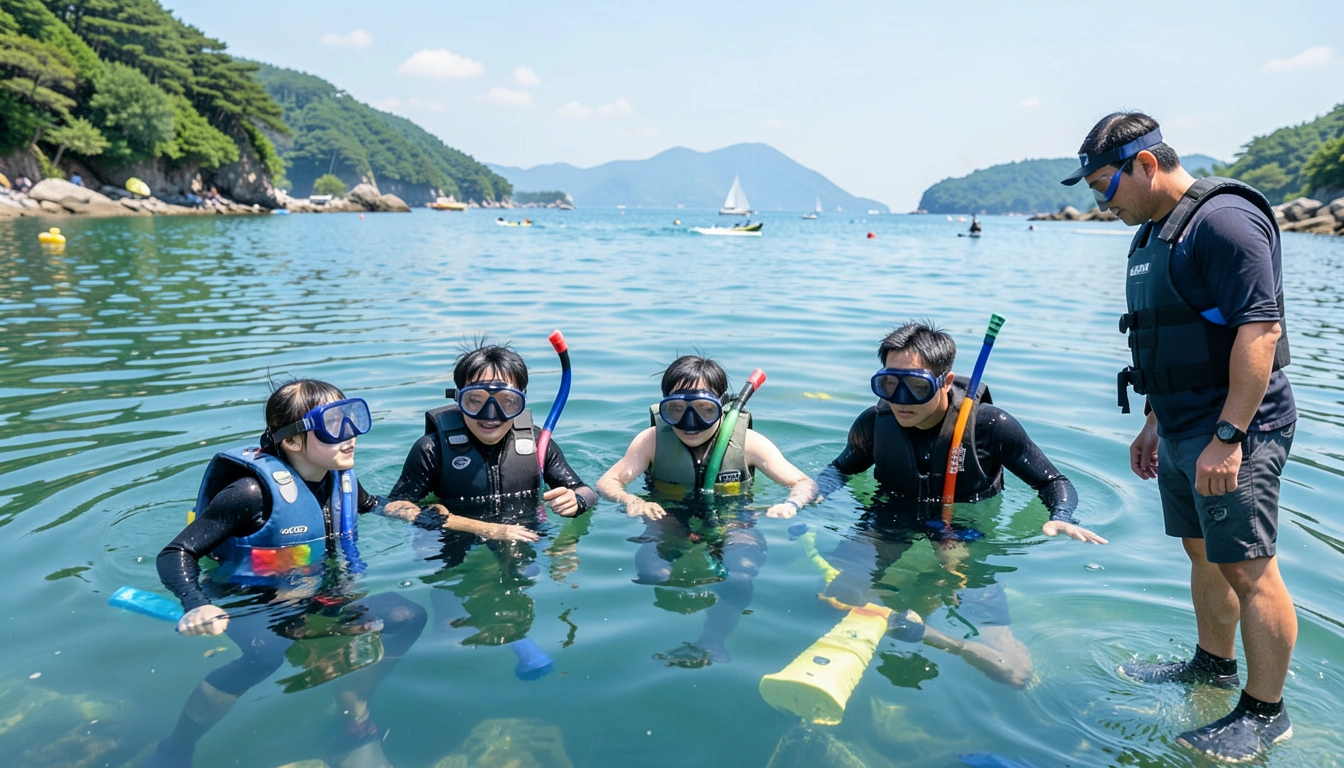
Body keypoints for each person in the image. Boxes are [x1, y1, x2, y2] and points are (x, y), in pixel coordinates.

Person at [1062, 111, 1296, 762]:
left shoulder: (1224, 221)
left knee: (1248, 566)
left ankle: (1265, 713)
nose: (1102, 205)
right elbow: (1173, 338)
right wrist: (1154, 421)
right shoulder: (1154, 233)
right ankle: (1212, 666)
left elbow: (1260, 331)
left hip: (1238, 427)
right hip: (1182, 423)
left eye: (1104, 187)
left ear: (1145, 165)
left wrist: (1229, 435)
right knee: (1204, 554)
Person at [150, 379, 427, 768]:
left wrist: (415, 514)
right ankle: (178, 745)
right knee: (265, 655)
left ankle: (354, 707)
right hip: (253, 595)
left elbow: (369, 504)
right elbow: (176, 552)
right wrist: (196, 603)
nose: (350, 435)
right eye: (334, 425)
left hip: (318, 590)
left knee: (408, 615)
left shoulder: (339, 476)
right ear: (294, 441)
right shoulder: (250, 494)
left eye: (351, 419)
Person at [809, 321, 1105, 683]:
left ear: (945, 382)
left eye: (916, 386)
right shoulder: (875, 422)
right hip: (892, 515)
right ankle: (939, 635)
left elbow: (1053, 481)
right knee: (832, 600)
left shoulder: (991, 426)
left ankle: (932, 623)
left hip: (961, 526)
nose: (900, 399)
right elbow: (839, 469)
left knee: (1011, 672)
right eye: (888, 385)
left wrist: (1061, 515)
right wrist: (810, 492)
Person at [597, 355, 817, 664]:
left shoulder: (749, 443)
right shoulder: (651, 441)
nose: (690, 422)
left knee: (741, 574)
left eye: (704, 409)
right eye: (677, 409)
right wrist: (631, 500)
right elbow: (608, 481)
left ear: (722, 406)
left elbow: (804, 483)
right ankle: (654, 641)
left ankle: (713, 641)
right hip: (668, 516)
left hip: (732, 519)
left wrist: (791, 503)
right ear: (664, 407)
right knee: (653, 573)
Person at [383, 343, 597, 636]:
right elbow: (394, 507)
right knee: (449, 615)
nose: (490, 414)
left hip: (520, 533)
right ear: (458, 398)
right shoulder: (432, 449)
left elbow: (586, 491)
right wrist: (483, 528)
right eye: (475, 400)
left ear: (521, 400)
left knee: (526, 576)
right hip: (453, 537)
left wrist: (576, 503)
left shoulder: (537, 444)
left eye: (507, 401)